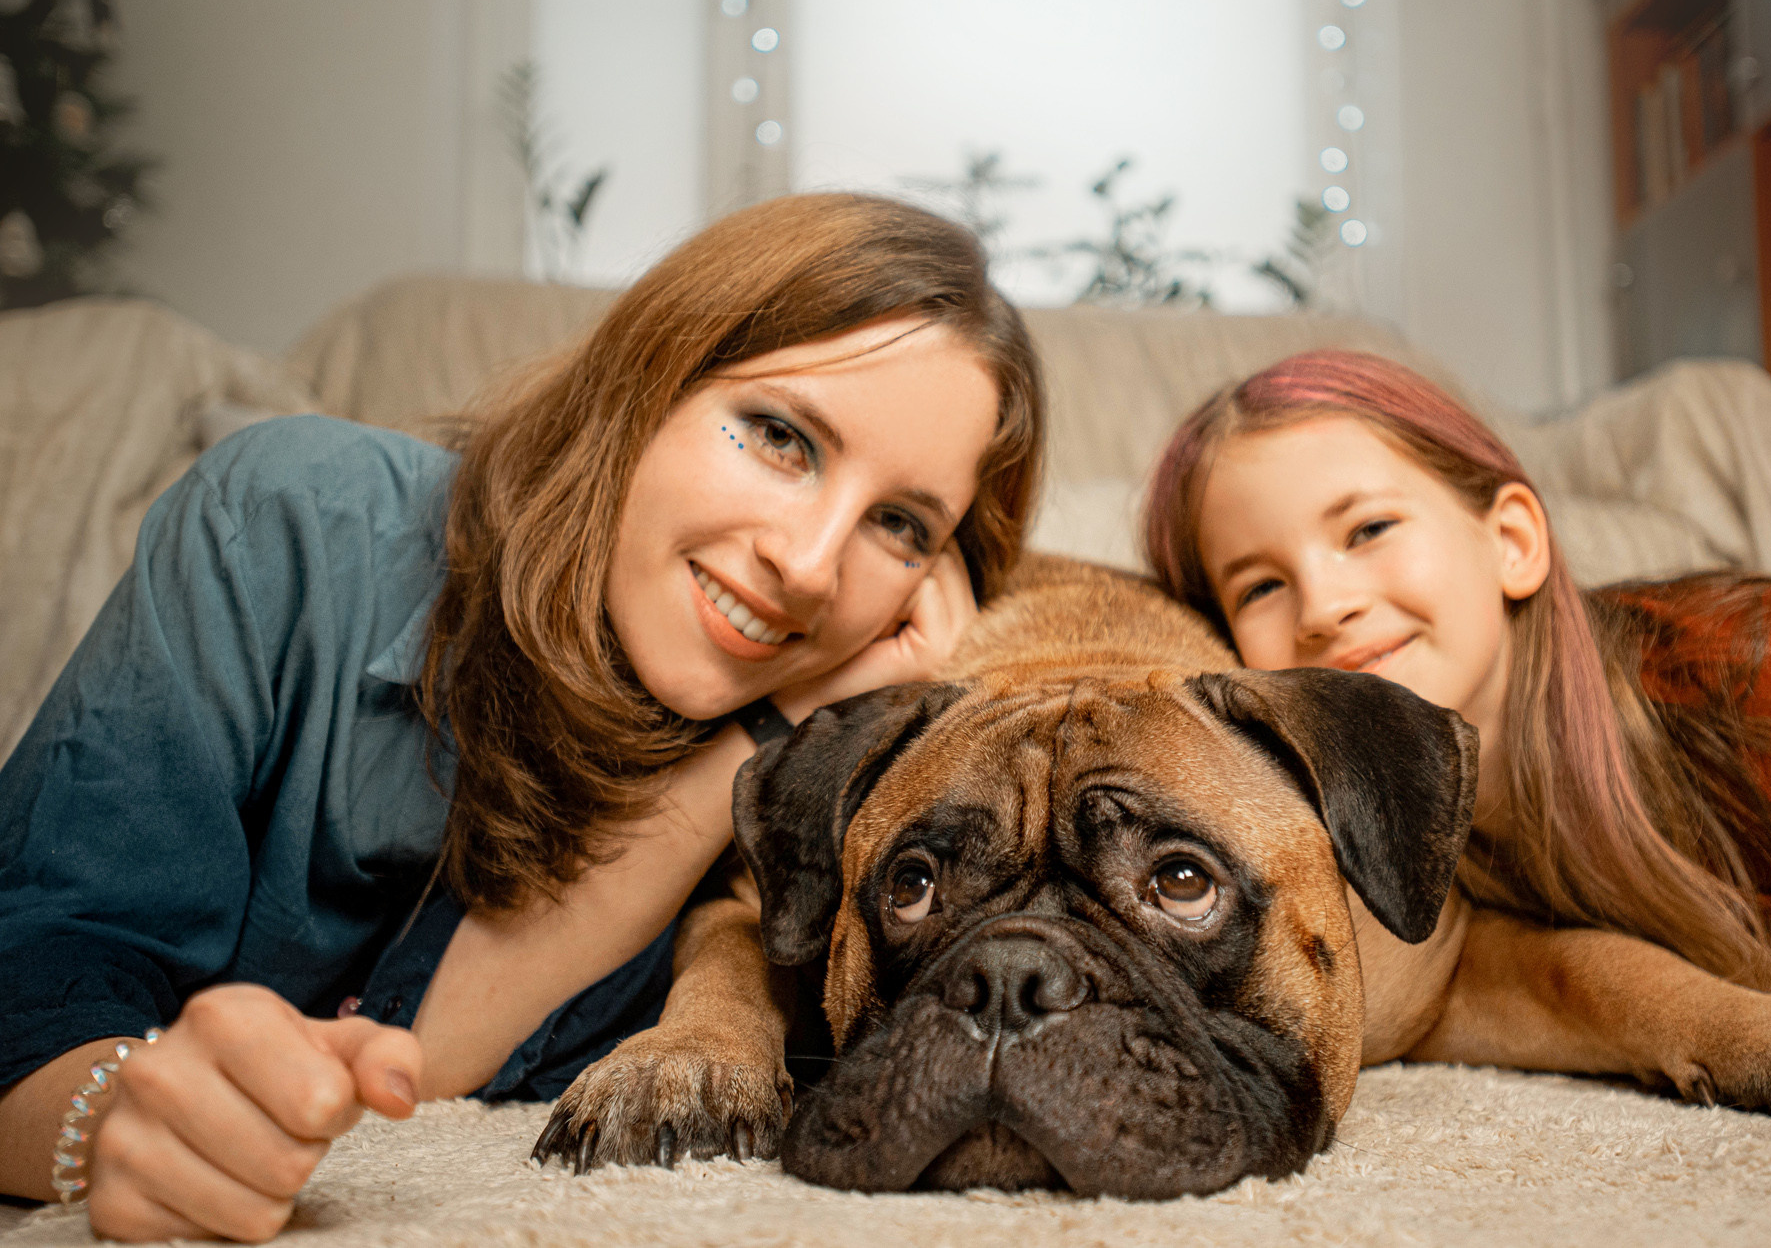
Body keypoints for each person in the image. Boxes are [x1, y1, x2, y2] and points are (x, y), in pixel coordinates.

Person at [0, 192, 1045, 1241]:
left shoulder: (819, 791)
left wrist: (770, 737)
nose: (811, 565)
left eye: (900, 524)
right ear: (651, 378)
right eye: (779, 435)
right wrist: (116, 1116)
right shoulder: (288, 526)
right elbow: (36, 976)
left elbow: (431, 1063)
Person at [1141, 347, 1771, 1186]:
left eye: (1368, 529)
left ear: (1512, 540)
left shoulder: (1763, 667)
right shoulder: (1334, 833)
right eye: (1260, 583)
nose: (1324, 603)